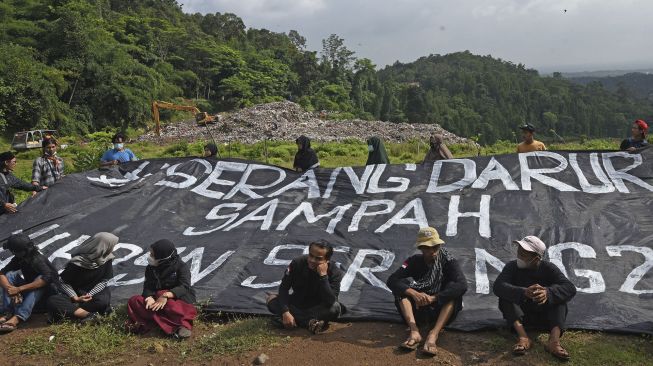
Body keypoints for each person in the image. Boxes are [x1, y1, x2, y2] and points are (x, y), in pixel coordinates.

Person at [493, 236, 577, 361]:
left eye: (524, 254)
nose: (519, 256)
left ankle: (554, 342)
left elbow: (570, 287)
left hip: (545, 317)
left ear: (536, 258)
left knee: (560, 300)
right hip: (522, 317)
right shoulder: (511, 267)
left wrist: (548, 293)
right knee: (505, 298)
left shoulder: (549, 268)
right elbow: (498, 286)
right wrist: (523, 292)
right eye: (519, 252)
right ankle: (523, 337)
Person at [386, 227, 467, 356]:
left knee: (453, 291)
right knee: (401, 288)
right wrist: (415, 294)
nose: (433, 251)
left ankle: (433, 334)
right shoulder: (413, 261)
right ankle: (414, 331)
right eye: (428, 248)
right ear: (421, 248)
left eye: (435, 247)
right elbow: (392, 280)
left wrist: (434, 298)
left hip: (439, 307)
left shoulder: (449, 261)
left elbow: (462, 285)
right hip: (419, 306)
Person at [266, 240, 344, 334]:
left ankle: (289, 320)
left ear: (327, 260)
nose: (312, 260)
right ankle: (309, 323)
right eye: (311, 255)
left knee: (335, 308)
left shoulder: (335, 272)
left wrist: (323, 276)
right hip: (298, 304)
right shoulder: (297, 263)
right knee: (271, 299)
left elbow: (330, 301)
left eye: (318, 259)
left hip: (318, 308)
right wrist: (285, 312)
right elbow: (284, 288)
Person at [126, 239, 196, 339]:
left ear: (162, 256)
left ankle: (182, 326)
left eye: (153, 255)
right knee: (134, 301)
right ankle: (163, 323)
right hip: (157, 300)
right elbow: (148, 285)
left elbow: (184, 286)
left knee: (166, 300)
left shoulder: (181, 266)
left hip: (177, 299)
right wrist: (149, 297)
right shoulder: (151, 268)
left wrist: (166, 295)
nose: (150, 257)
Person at [47, 232, 118, 324]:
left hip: (92, 294)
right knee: (53, 300)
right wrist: (75, 297)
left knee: (102, 300)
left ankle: (73, 314)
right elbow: (63, 282)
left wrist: (89, 295)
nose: (112, 248)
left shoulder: (106, 259)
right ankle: (87, 315)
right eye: (111, 246)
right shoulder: (77, 262)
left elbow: (103, 281)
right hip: (75, 296)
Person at [0, 234, 58, 333]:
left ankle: (18, 317)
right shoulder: (20, 258)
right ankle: (8, 312)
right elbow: (2, 272)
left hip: (47, 296)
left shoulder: (37, 260)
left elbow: (47, 278)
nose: (12, 253)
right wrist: (10, 289)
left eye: (12, 251)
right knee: (9, 275)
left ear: (17, 251)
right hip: (30, 293)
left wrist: (19, 289)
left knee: (40, 279)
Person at [1, 151, 45, 215]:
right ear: (6, 162)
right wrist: (3, 204)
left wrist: (39, 188)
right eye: (14, 162)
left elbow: (21, 184)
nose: (16, 164)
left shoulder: (7, 174)